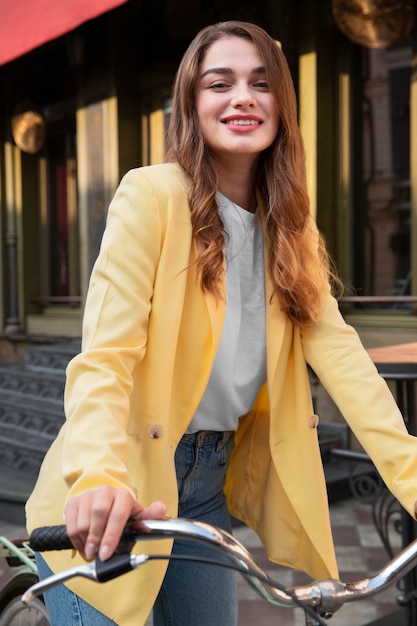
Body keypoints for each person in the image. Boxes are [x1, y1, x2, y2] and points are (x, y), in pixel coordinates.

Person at [26, 19, 417, 626]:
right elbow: (106, 358)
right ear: (192, 104)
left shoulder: (291, 230)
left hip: (208, 483)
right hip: (120, 483)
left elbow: (343, 358)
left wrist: (412, 477)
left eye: (261, 83)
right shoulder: (151, 197)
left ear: (281, 107)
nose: (243, 97)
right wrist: (96, 476)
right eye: (220, 82)